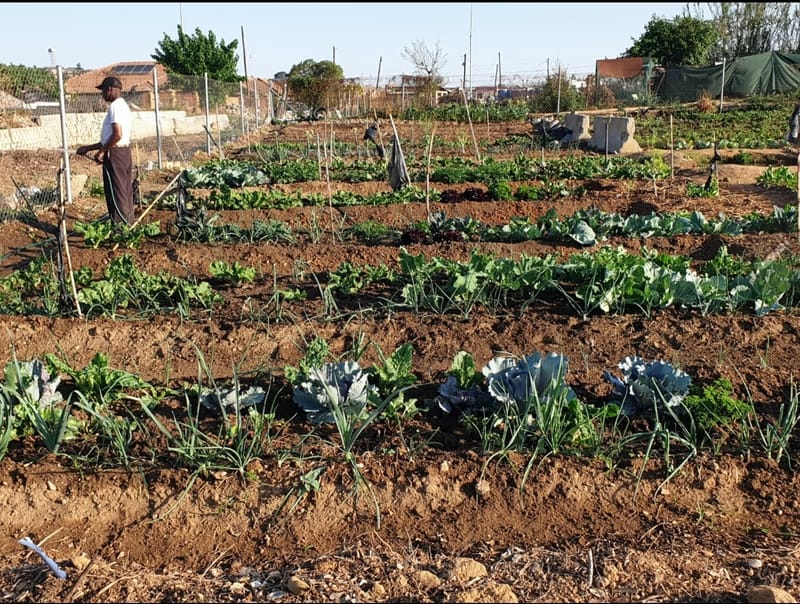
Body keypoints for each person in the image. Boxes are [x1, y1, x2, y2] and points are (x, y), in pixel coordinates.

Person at [76, 76, 134, 224]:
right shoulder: (123, 106)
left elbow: (117, 135)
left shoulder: (115, 106)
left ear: (109, 89)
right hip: (123, 152)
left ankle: (120, 226)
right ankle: (127, 222)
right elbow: (109, 138)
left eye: (103, 91)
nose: (102, 94)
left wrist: (102, 152)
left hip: (116, 154)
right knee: (124, 190)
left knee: (116, 191)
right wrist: (88, 148)